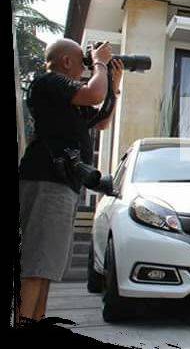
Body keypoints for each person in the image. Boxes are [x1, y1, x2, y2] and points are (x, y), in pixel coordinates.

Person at [16, 39, 123, 325]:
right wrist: (100, 62)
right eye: (83, 60)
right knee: (37, 264)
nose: (86, 66)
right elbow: (93, 94)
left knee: (47, 265)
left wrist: (114, 83)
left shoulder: (67, 98)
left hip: (61, 184)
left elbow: (101, 120)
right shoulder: (49, 82)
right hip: (45, 181)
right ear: (66, 62)